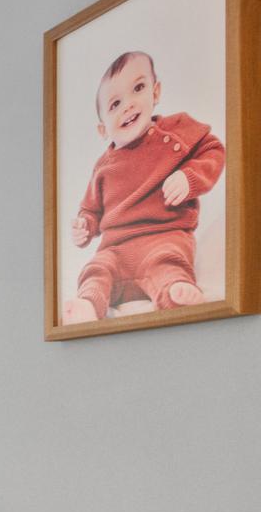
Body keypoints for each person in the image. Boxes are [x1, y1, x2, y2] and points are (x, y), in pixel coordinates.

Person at [61, 50, 225, 323]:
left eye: (138, 88)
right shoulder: (102, 167)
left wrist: (190, 177)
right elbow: (90, 210)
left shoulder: (176, 130)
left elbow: (213, 149)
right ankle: (88, 304)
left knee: (168, 261)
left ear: (155, 92)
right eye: (115, 104)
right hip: (115, 250)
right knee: (96, 269)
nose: (128, 105)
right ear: (103, 130)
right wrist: (85, 226)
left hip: (164, 236)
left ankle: (174, 291)